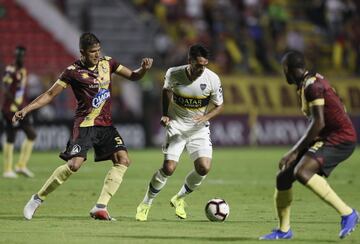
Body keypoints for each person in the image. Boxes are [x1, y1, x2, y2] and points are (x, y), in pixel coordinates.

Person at [13, 33, 153, 220]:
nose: (97, 55)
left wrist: (143, 69)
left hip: (106, 124)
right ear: (82, 53)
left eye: (98, 50)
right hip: (85, 124)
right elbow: (49, 94)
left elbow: (134, 76)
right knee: (74, 164)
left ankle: (100, 207)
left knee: (123, 160)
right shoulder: (72, 72)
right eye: (92, 52)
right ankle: (37, 199)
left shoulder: (108, 63)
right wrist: (27, 109)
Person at [259, 51, 358, 240]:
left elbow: (318, 122)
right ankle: (284, 231)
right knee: (283, 178)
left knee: (302, 172)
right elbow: (336, 107)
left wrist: (294, 151)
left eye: (284, 69)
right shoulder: (308, 83)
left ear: (287, 69)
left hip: (340, 138)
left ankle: (348, 213)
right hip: (326, 136)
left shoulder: (312, 86)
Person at [135, 44, 224, 221]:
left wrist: (206, 118)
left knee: (204, 167)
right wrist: (165, 115)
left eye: (204, 65)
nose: (201, 69)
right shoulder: (173, 73)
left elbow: (220, 105)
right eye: (198, 64)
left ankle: (179, 198)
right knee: (169, 168)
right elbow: (166, 91)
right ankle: (146, 203)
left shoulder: (212, 79)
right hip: (176, 125)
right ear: (189, 61)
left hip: (198, 128)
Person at [2, 46, 37, 178]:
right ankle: (7, 170)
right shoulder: (11, 70)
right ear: (15, 56)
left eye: (22, 56)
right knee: (11, 137)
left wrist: (24, 105)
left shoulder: (23, 70)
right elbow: (4, 87)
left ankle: (21, 166)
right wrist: (15, 102)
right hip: (10, 110)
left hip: (21, 109)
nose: (21, 58)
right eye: (19, 56)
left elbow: (21, 91)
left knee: (32, 134)